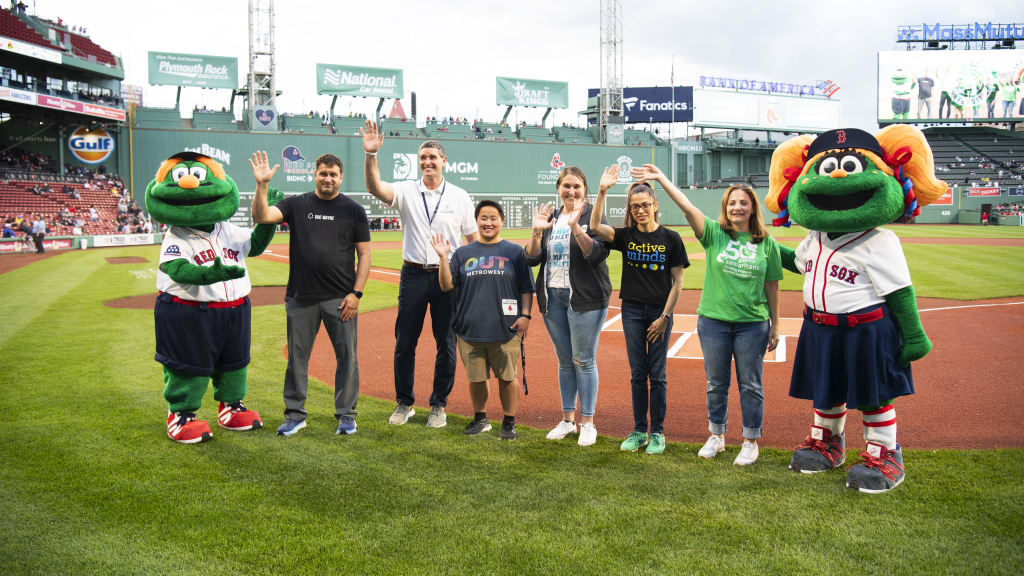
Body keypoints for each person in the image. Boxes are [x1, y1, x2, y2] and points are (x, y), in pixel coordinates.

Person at [639, 164, 781, 466]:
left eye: (743, 203)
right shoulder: (714, 234)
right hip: (714, 322)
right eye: (732, 203)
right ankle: (716, 435)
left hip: (752, 325)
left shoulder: (766, 242)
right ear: (725, 208)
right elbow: (687, 206)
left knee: (750, 385)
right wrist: (662, 177)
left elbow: (772, 285)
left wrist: (775, 325)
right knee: (716, 384)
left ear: (752, 208)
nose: (737, 207)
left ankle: (750, 440)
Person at [362, 120, 478, 429]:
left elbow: (472, 242)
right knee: (404, 341)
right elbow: (375, 187)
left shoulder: (459, 196)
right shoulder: (405, 190)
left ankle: (438, 404)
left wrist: (472, 279)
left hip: (447, 276)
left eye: (433, 157)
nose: (427, 162)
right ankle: (405, 403)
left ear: (444, 162)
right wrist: (371, 156)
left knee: (447, 343)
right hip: (412, 274)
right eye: (423, 158)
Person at [249, 150, 371, 437]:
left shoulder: (353, 210)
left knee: (347, 359)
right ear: (314, 175)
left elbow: (364, 255)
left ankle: (346, 415)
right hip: (301, 297)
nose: (327, 178)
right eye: (323, 173)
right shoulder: (296, 203)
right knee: (297, 359)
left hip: (341, 299)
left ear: (341, 177)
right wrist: (262, 184)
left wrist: (356, 294)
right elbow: (262, 215)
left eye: (333, 174)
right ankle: (295, 415)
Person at [590, 165, 688, 455]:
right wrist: (603, 191)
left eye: (645, 205)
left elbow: (678, 282)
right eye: (635, 207)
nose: (640, 210)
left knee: (657, 373)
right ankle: (638, 430)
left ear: (655, 206)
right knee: (637, 373)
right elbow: (595, 227)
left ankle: (657, 432)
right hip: (632, 311)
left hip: (660, 312)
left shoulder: (671, 239)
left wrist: (664, 318)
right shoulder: (626, 236)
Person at [430, 201, 534, 440]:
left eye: (493, 218)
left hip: (505, 327)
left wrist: (525, 315)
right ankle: (481, 418)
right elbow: (446, 285)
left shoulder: (514, 251)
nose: (488, 223)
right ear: (476, 222)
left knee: (508, 377)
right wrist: (444, 257)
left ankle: (509, 422)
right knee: (477, 379)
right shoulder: (463, 253)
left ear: (502, 221)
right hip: (469, 328)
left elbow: (526, 287)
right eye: (483, 218)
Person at [524, 167, 612, 447]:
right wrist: (537, 233)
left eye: (576, 186)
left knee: (583, 360)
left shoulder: (591, 216)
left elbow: (597, 254)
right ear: (558, 189)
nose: (571, 191)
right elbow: (533, 260)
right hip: (553, 296)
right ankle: (567, 420)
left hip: (585, 298)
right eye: (566, 186)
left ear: (584, 189)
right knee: (564, 361)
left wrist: (575, 227)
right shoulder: (550, 216)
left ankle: (588, 422)